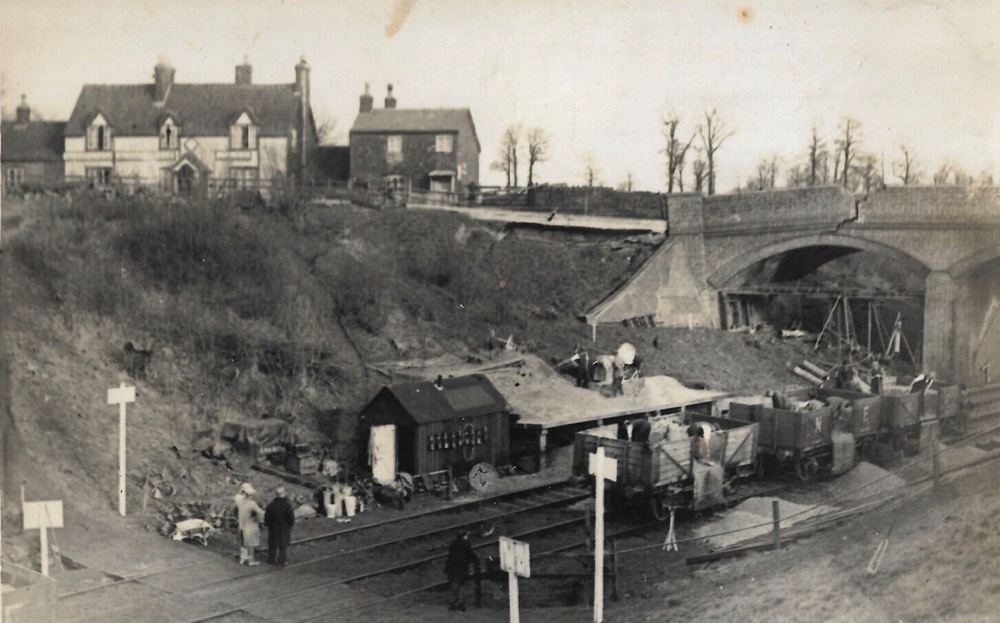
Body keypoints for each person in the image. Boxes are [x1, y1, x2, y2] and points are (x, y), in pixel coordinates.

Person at [444, 528, 479, 611]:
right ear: (464, 535)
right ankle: (456, 601)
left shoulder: (454, 543)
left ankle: (456, 601)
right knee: (460, 584)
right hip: (461, 567)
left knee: (455, 584)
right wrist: (476, 559)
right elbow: (470, 554)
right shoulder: (466, 543)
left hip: (452, 567)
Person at [264, 486, 296, 567]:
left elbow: (266, 518)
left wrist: (268, 524)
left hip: (273, 528)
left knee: (272, 544)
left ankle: (271, 559)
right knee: (283, 545)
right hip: (284, 527)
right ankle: (281, 560)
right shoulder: (287, 506)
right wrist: (290, 524)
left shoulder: (271, 505)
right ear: (284, 494)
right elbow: (291, 518)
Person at [234, 483, 264, 566]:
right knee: (251, 544)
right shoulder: (252, 504)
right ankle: (251, 560)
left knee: (243, 542)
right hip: (250, 524)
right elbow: (260, 513)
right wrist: (260, 519)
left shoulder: (240, 502)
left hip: (241, 524)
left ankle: (242, 558)